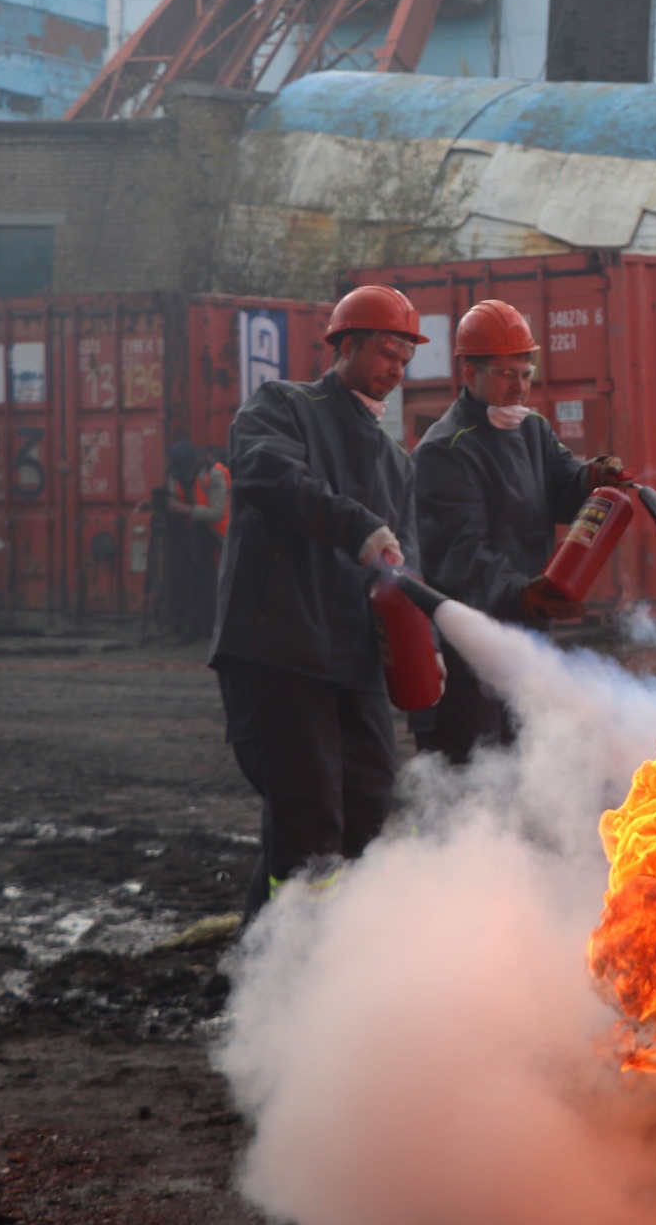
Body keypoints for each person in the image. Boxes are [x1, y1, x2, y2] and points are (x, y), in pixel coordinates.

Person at [209, 284, 432, 922]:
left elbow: (406, 568)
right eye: (386, 352)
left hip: (356, 660)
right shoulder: (282, 407)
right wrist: (355, 525)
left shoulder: (396, 461)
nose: (395, 368)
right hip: (281, 647)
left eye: (405, 358)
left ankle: (311, 963)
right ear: (345, 344)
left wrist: (427, 650)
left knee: (365, 804)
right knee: (309, 819)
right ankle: (287, 977)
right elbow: (268, 474)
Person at [411, 298, 629, 764]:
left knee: (529, 763)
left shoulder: (533, 430)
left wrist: (592, 478)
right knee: (475, 771)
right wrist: (522, 593)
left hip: (528, 637)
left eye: (525, 372)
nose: (520, 387)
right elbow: (459, 556)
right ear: (470, 373)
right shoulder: (445, 450)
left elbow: (563, 484)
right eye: (506, 374)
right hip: (471, 649)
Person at [161, 440, 229, 641]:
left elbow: (218, 513)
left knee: (225, 581)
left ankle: (222, 629)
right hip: (203, 528)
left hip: (225, 531)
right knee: (197, 578)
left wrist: (186, 510)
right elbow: (178, 495)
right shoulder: (176, 474)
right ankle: (199, 628)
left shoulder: (215, 473)